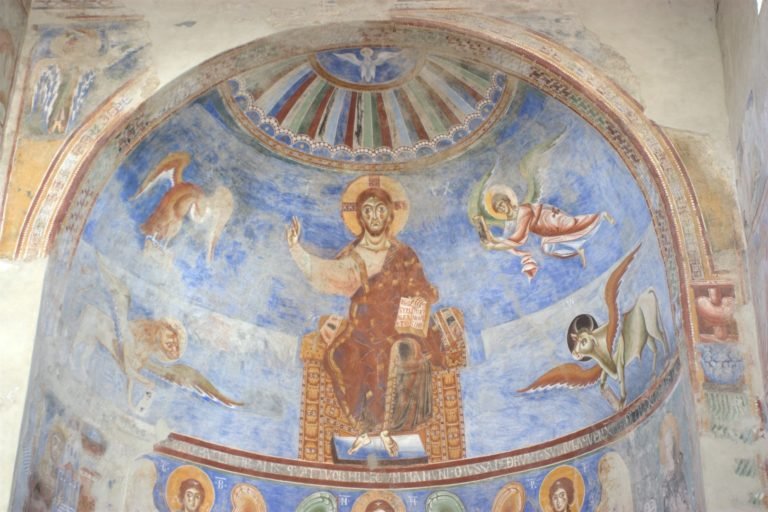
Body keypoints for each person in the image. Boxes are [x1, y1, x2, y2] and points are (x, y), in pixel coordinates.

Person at [287, 175, 445, 457]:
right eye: (368, 210)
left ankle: (385, 431)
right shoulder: (353, 254)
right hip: (361, 327)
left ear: (390, 215)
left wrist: (417, 308)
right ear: (359, 216)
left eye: (380, 209)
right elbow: (324, 274)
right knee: (338, 354)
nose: (374, 216)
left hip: (396, 327)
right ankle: (363, 427)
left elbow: (419, 290)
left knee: (391, 354)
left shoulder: (403, 254)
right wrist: (297, 250)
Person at [480, 185, 613, 279]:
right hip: (546, 230)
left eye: (501, 204)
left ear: (507, 201)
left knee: (574, 225)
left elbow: (519, 238)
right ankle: (577, 250)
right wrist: (493, 239)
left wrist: (494, 246)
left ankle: (601, 215)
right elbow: (508, 239)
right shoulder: (511, 220)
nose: (501, 208)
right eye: (498, 208)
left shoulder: (523, 211)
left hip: (551, 220)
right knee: (548, 246)